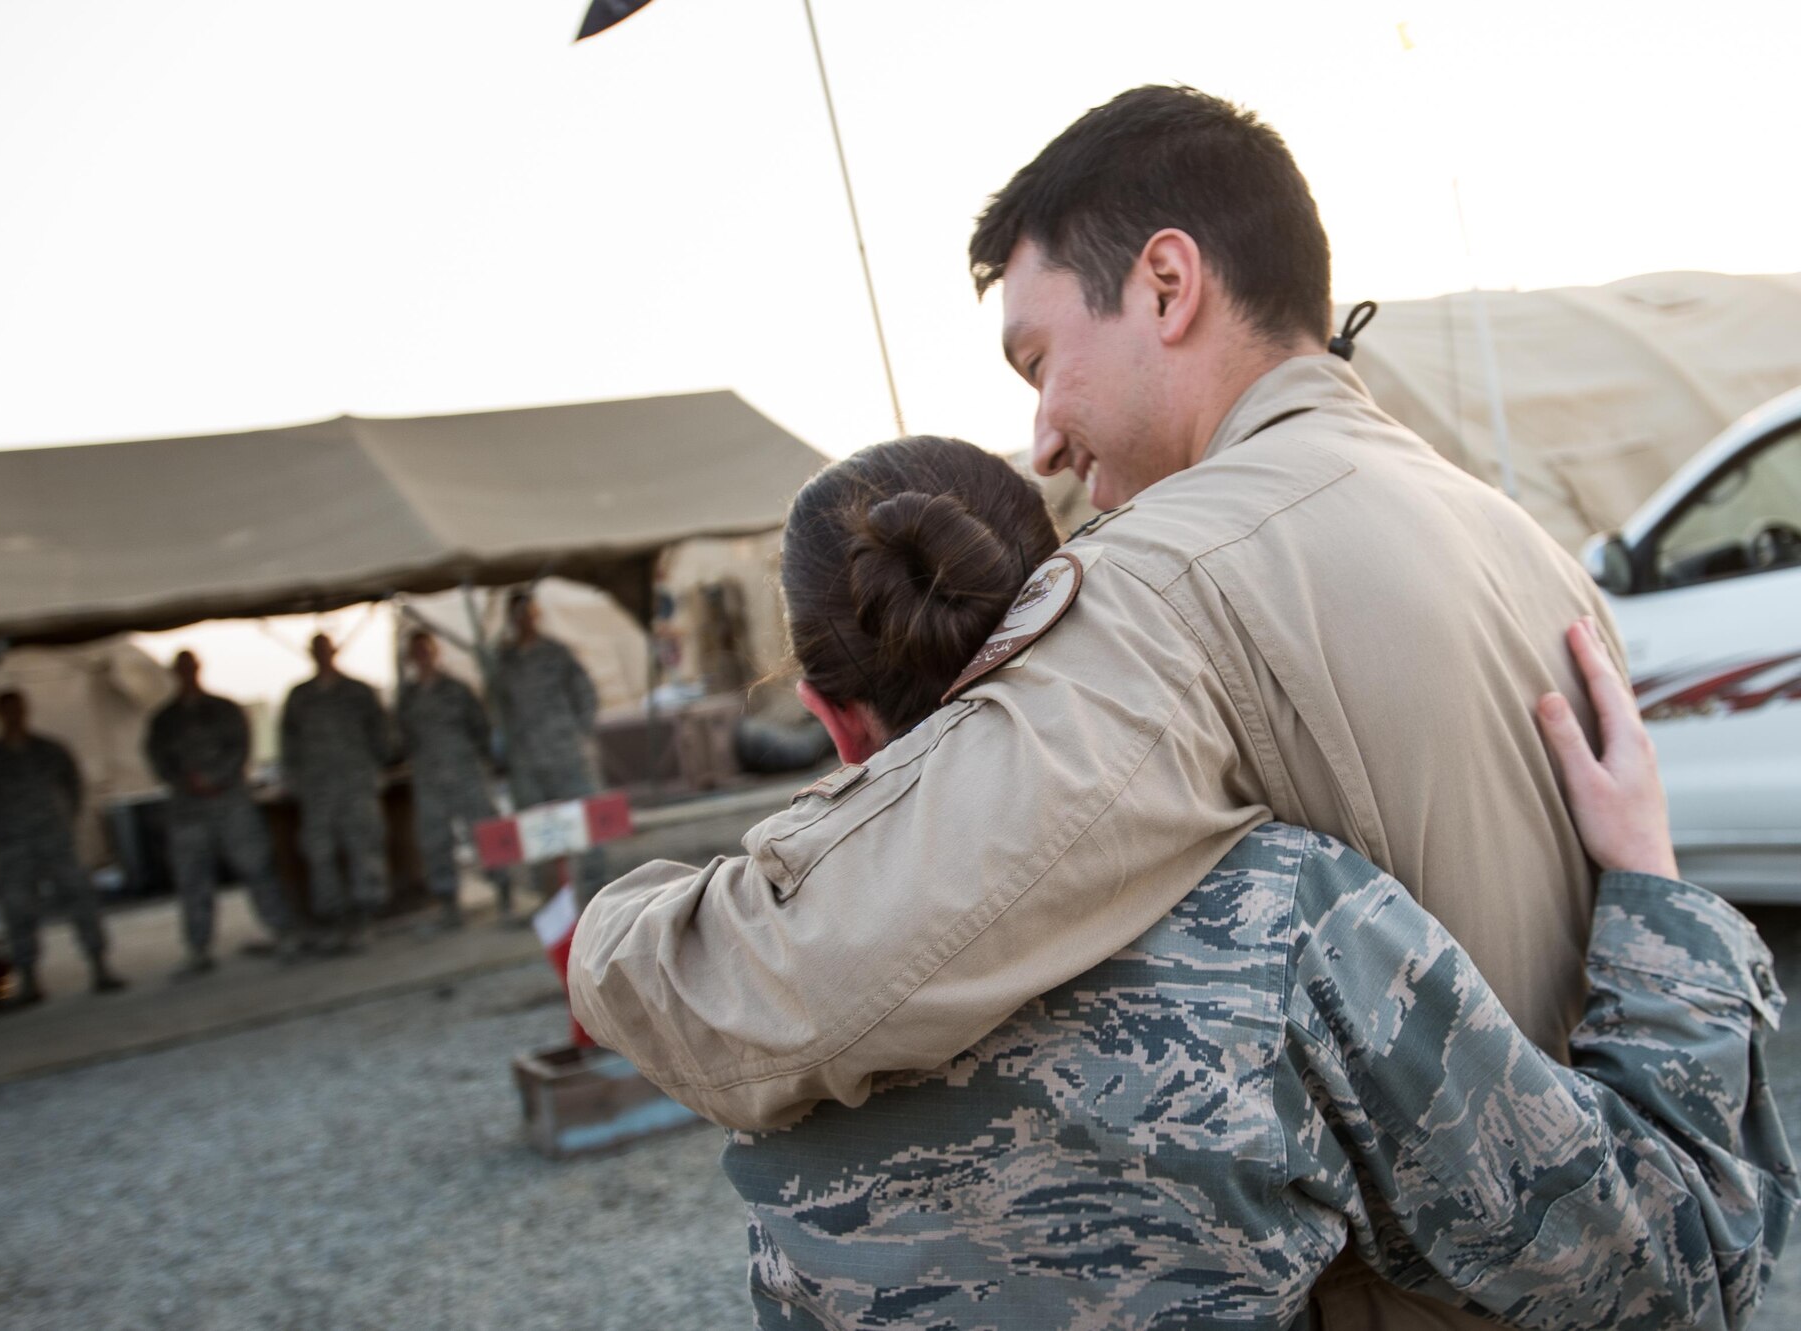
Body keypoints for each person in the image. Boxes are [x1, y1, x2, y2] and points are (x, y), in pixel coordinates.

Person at [567, 88, 1634, 1328]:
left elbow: (803, 977)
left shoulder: (1168, 582)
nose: (1040, 440)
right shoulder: (1518, 540)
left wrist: (610, 943)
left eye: (1038, 359)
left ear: (1166, 284)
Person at [589, 439, 1798, 1329]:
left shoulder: (741, 989)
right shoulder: (1273, 920)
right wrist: (1652, 890)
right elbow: (1658, 1266)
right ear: (1063, 612)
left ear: (826, 718)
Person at [144, 650, 299, 974]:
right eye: (181, 669)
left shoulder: (224, 710)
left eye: (191, 668)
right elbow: (158, 760)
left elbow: (241, 748)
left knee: (256, 866)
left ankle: (283, 932)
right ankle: (198, 949)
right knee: (192, 879)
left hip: (230, 803)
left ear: (199, 669)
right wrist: (189, 782)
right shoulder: (165, 720)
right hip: (189, 810)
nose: (187, 674)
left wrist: (215, 779)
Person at [0, 690, 125, 1002]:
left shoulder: (50, 750)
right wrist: (2, 831)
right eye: (7, 710)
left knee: (80, 899)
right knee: (18, 910)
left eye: (18, 709)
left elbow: (74, 786)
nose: (14, 715)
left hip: (55, 840)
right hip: (15, 846)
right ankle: (28, 978)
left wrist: (63, 820)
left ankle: (99, 965)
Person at [490, 590, 604, 904]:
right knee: (535, 831)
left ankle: (595, 890)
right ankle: (552, 897)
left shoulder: (556, 653)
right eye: (517, 614)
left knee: (583, 822)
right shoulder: (503, 661)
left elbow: (585, 693)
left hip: (563, 752)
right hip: (525, 760)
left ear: (536, 614)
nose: (524, 620)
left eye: (528, 612)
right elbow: (497, 706)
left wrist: (579, 732)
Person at [278, 634, 389, 951]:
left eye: (326, 649)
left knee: (363, 848)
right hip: (317, 791)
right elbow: (289, 743)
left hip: (355, 785)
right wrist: (295, 781)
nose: (322, 655)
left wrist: (372, 769)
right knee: (320, 853)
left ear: (334, 652)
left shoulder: (357, 691)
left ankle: (366, 918)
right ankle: (335, 919)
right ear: (311, 654)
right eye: (317, 651)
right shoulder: (300, 697)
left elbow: (381, 733)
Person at [397, 630, 507, 927]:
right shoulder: (407, 697)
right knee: (435, 841)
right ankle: (448, 905)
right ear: (411, 657)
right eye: (416, 651)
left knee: (485, 833)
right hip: (429, 779)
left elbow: (480, 727)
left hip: (465, 773)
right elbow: (401, 738)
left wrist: (479, 762)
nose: (422, 656)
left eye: (426, 649)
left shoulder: (457, 689)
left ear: (435, 652)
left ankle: (504, 892)